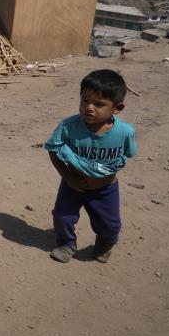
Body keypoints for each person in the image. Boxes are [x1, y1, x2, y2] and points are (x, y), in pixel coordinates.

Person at [44, 69, 137, 264]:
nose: (89, 107)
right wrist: (68, 177)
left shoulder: (125, 132)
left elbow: (127, 154)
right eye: (85, 100)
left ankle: (104, 244)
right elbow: (53, 150)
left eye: (99, 104)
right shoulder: (68, 126)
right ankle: (66, 243)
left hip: (106, 189)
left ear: (117, 108)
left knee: (110, 225)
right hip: (73, 185)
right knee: (62, 218)